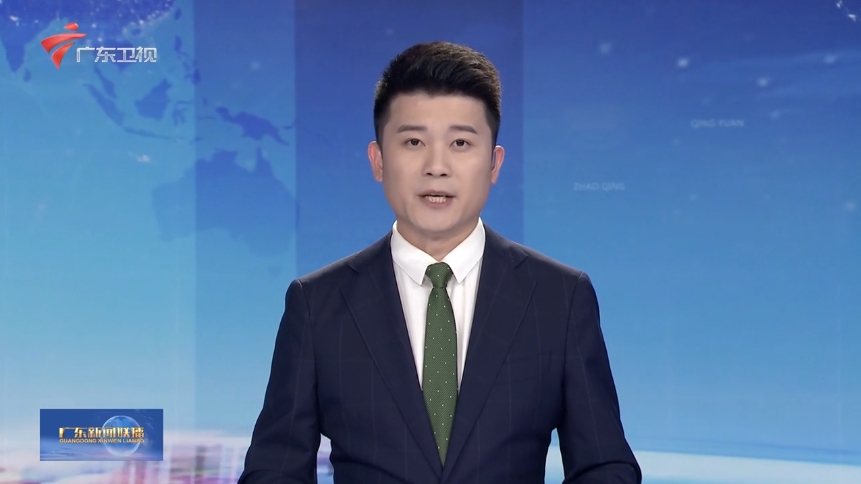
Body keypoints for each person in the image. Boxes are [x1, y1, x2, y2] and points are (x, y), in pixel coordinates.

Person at [238, 41, 641, 484]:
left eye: (460, 143)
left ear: (494, 163)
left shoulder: (558, 298)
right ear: (378, 160)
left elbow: (605, 465)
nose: (437, 166)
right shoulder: (318, 304)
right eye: (413, 141)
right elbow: (273, 471)